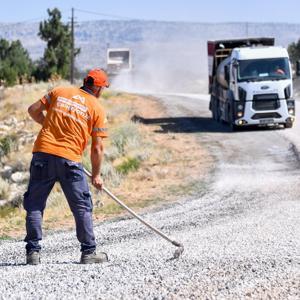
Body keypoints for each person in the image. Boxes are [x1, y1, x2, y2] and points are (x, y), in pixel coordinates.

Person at [24, 69, 109, 265]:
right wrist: (96, 175)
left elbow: (32, 110)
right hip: (70, 160)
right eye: (102, 88)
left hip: (42, 155)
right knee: (81, 206)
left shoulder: (59, 91)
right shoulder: (96, 108)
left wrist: (48, 126)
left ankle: (32, 253)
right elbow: (97, 148)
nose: (102, 91)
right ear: (97, 88)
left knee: (35, 204)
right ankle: (88, 252)